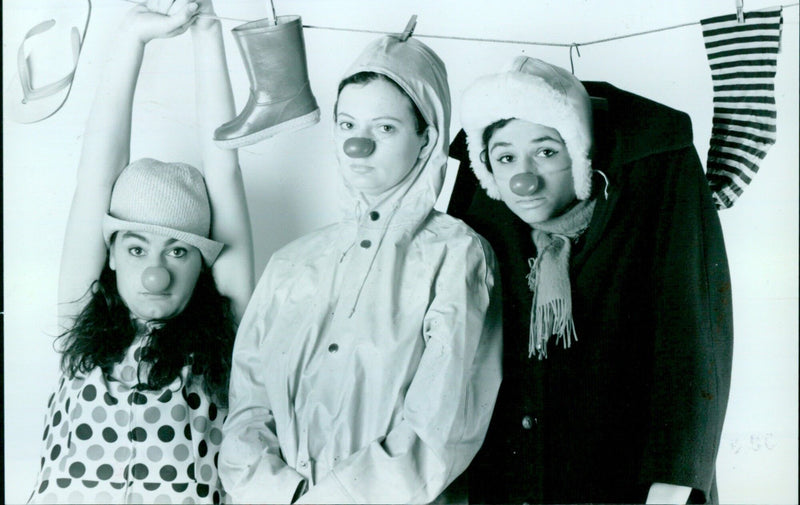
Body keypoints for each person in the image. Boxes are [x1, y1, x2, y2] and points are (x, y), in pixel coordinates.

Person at [220, 35, 502, 504]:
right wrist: (280, 494)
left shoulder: (457, 255)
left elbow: (442, 425)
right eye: (347, 123)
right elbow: (247, 411)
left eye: (386, 128)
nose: (358, 144)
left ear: (426, 138)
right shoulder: (290, 264)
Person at [448, 57, 733, 504]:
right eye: (505, 158)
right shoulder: (485, 212)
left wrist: (670, 487)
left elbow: (693, 340)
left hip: (630, 483)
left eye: (546, 152)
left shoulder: (657, 186)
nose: (524, 179)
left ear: (580, 154)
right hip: (512, 479)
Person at [28, 0, 254, 505]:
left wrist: (207, 36)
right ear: (109, 254)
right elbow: (95, 177)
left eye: (178, 250)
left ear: (203, 262)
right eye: (136, 248)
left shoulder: (225, 338)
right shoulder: (79, 324)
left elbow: (226, 171)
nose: (157, 270)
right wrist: (131, 39)